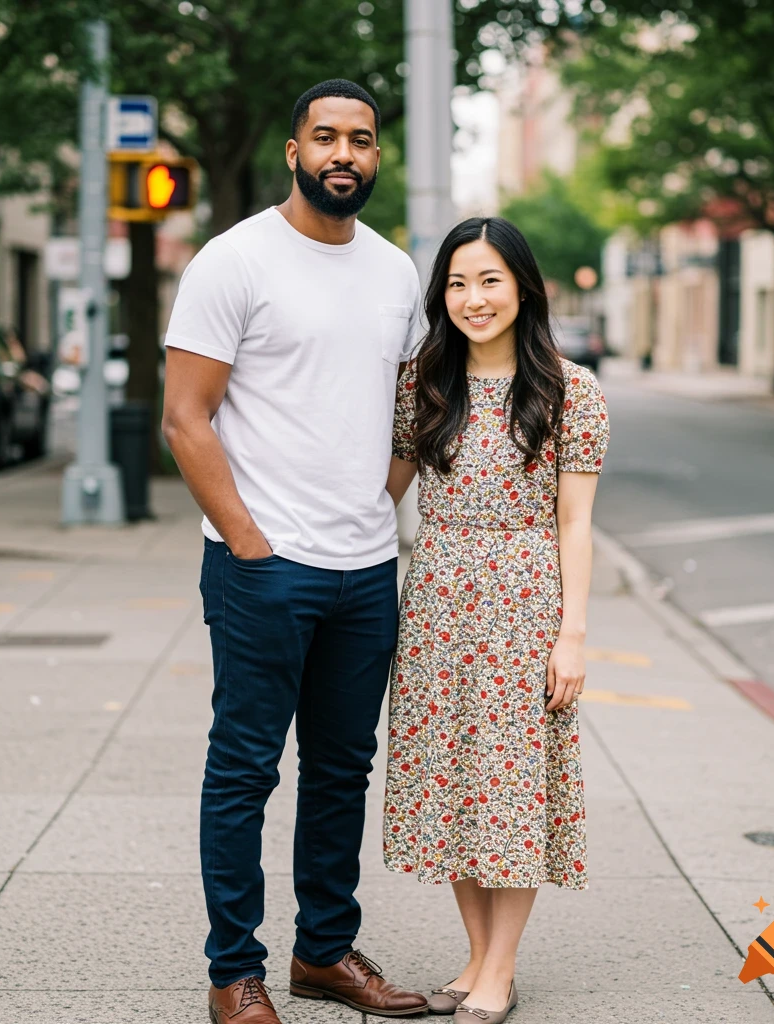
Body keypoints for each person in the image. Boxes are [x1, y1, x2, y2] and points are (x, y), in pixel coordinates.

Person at [161, 80, 429, 1024]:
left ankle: (323, 953)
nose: (342, 153)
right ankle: (234, 972)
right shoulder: (234, 260)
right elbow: (185, 419)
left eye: (360, 138)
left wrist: (372, 506)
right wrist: (249, 541)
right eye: (325, 137)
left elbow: (409, 411)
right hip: (263, 569)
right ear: (294, 151)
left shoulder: (396, 271)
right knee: (245, 771)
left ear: (377, 155)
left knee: (342, 771)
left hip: (366, 571)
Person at [383, 217, 610, 1023]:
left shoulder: (569, 390)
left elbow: (575, 524)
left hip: (524, 605)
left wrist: (571, 636)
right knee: (450, 784)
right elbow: (385, 490)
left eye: (488, 280)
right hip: (437, 605)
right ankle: (477, 957)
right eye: (457, 283)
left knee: (511, 790)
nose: (473, 299)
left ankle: (501, 969)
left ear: (522, 288)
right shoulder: (424, 383)